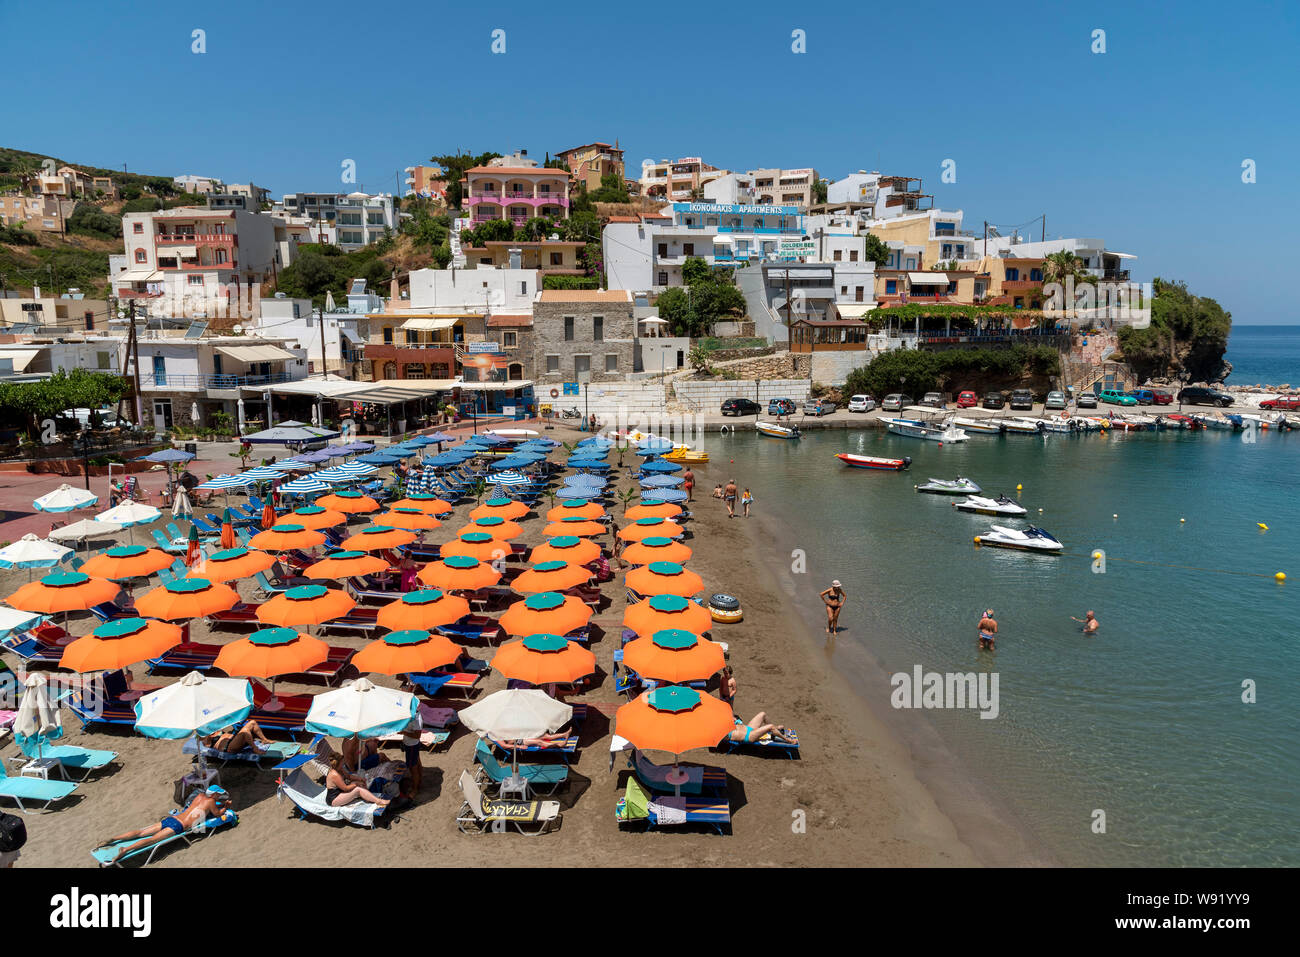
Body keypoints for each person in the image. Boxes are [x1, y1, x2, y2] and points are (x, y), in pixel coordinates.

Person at [95, 786, 231, 864]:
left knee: (141, 832)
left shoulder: (200, 796)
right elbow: (217, 814)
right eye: (218, 794)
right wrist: (226, 806)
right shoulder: (211, 802)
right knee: (152, 840)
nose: (219, 796)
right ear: (214, 794)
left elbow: (199, 807)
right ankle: (125, 849)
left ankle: (113, 839)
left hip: (173, 818)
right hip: (179, 825)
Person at [324, 753, 390, 808]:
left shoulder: (340, 769)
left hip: (341, 792)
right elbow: (345, 788)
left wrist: (360, 779)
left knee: (358, 783)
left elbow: (349, 776)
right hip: (334, 799)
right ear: (339, 763)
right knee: (358, 789)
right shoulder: (334, 775)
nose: (343, 763)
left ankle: (368, 796)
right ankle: (378, 801)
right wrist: (356, 784)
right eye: (342, 762)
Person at [200, 719, 273, 754]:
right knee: (245, 731)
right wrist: (207, 733)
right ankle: (255, 748)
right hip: (229, 747)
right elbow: (207, 744)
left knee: (252, 722)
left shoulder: (217, 730)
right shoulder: (205, 737)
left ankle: (264, 739)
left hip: (234, 739)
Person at [728, 712, 795, 745]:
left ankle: (776, 728)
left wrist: (734, 720)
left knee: (762, 714)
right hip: (749, 736)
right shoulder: (724, 732)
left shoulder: (727, 720)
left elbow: (739, 723)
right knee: (770, 726)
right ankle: (787, 740)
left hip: (749, 728)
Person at [400, 711, 423, 796]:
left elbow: (417, 735)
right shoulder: (412, 714)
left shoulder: (416, 719)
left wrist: (403, 732)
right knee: (417, 762)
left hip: (412, 745)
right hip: (411, 744)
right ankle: (419, 781)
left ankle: (415, 789)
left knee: (413, 768)